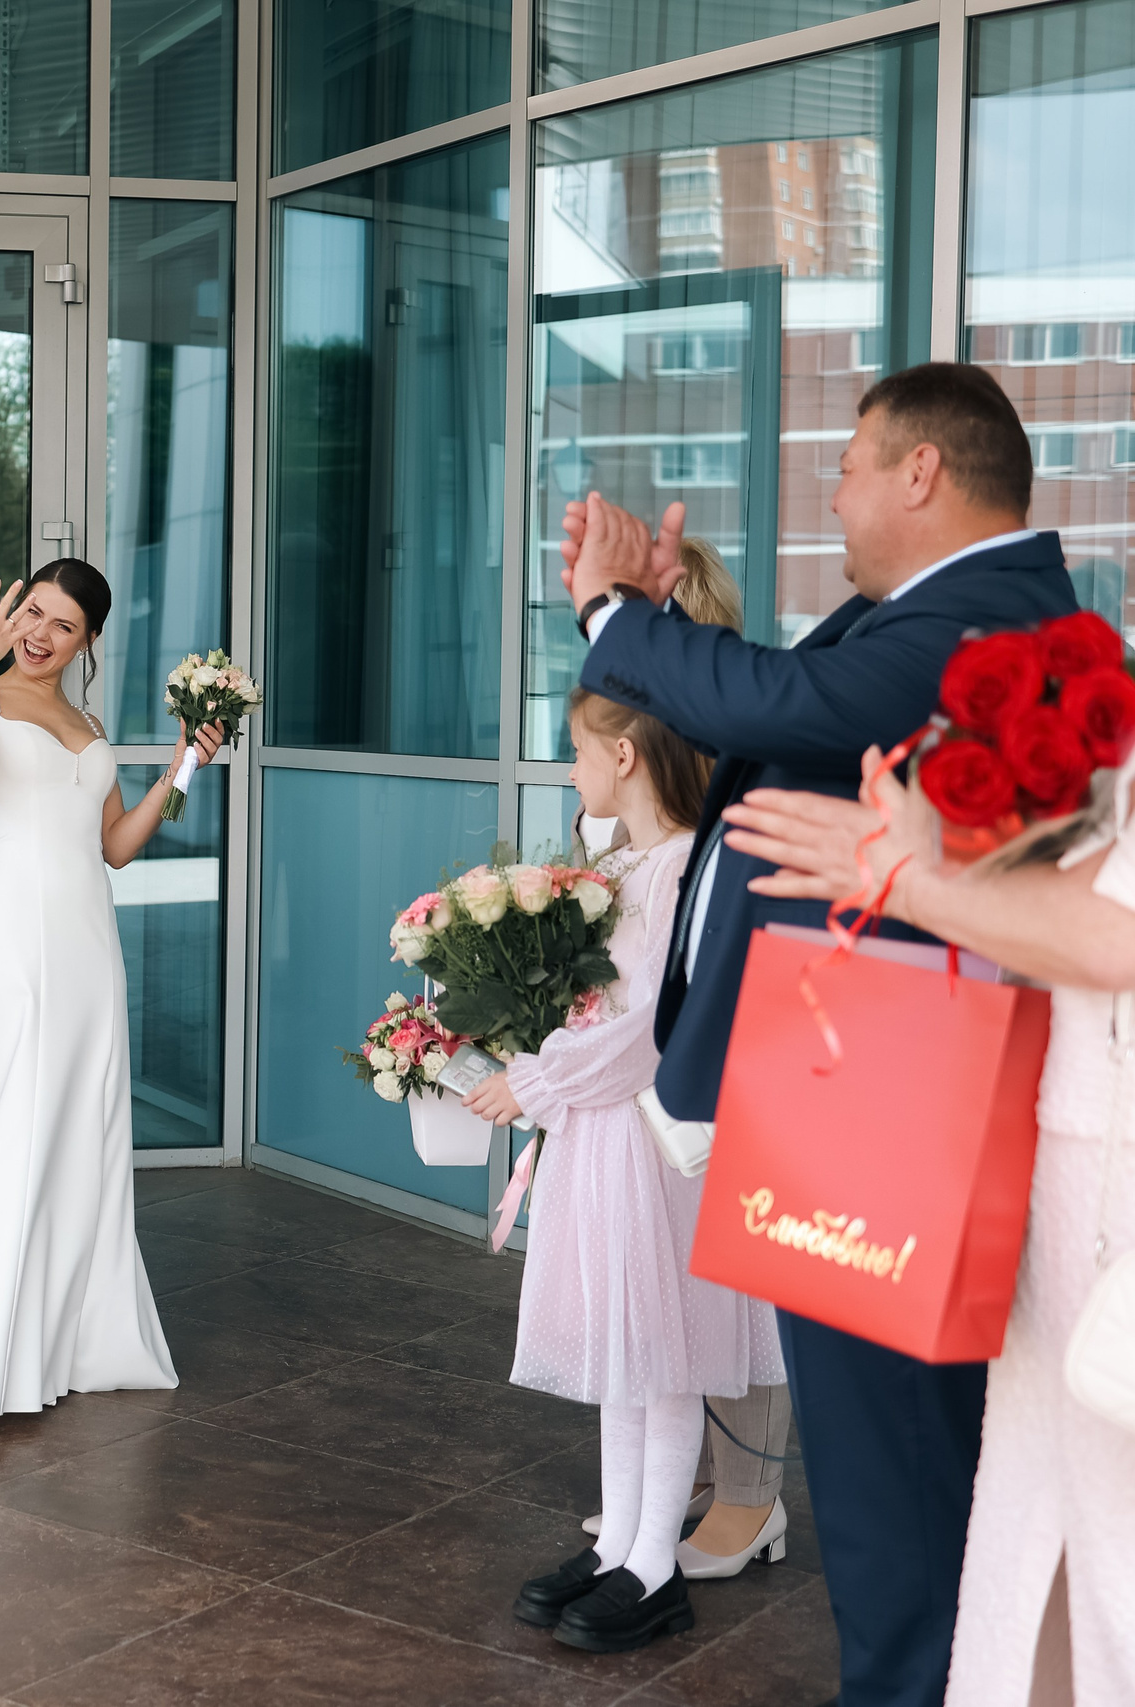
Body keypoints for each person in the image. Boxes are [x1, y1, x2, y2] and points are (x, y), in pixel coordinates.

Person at [565, 361, 1076, 1705]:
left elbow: (781, 712)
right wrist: (662, 614)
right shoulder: (925, 609)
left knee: (891, 1469)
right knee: (880, 1465)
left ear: (923, 472)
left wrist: (617, 610)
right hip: (858, 1075)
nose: (832, 493)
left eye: (848, 465)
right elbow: (789, 700)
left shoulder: (990, 613)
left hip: (890, 1098)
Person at [723, 745, 1135, 1703]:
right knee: (1043, 1539)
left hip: (1111, 1179)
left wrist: (912, 875)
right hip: (1074, 1170)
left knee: (1107, 1547)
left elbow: (1115, 936)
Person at [464, 686, 786, 1653]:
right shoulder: (627, 866)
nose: (568, 769)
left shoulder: (684, 870)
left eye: (575, 751)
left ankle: (654, 1562)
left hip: (648, 1140)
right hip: (605, 1136)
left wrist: (533, 1082)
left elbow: (649, 1024)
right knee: (623, 1353)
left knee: (664, 1351)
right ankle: (625, 1545)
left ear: (625, 757)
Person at [0, 560, 223, 1416]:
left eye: (64, 627)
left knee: (85, 1128)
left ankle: (77, 1338)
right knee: (16, 1123)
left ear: (87, 643)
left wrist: (184, 765)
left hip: (88, 945)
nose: (42, 634)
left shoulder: (84, 720)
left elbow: (113, 846)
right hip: (12, 939)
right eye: (34, 613)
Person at [569, 539, 800, 1577]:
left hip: (724, 1041)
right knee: (680, 1288)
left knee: (733, 1283)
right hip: (658, 1044)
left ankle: (748, 1502)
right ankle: (679, 1492)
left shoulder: (725, 729)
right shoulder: (646, 737)